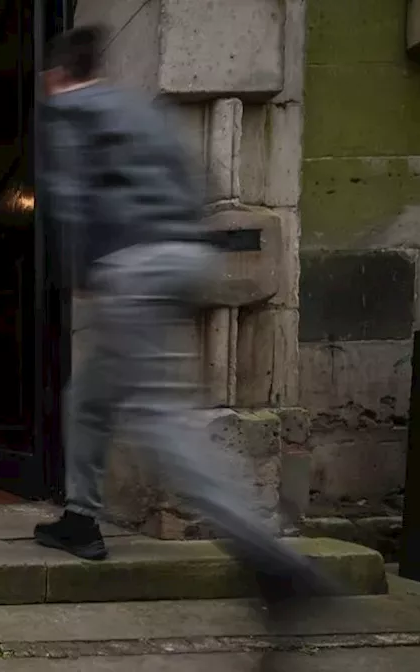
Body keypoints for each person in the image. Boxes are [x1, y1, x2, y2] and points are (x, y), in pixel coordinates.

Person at [32, 23, 338, 637]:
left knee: (161, 420)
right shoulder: (138, 109)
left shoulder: (68, 111)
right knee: (90, 398)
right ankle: (80, 516)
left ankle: (275, 565)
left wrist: (83, 270)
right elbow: (195, 182)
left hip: (133, 265)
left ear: (57, 75)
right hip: (181, 254)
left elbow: (68, 199)